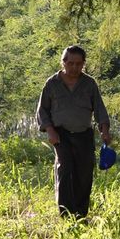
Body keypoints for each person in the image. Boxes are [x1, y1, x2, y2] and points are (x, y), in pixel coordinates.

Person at [36, 45, 111, 218]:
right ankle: (66, 215)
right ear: (63, 62)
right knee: (65, 170)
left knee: (84, 173)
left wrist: (104, 130)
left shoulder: (89, 83)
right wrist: (50, 131)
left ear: (83, 64)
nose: (74, 68)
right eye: (70, 63)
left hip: (84, 134)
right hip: (61, 134)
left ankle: (81, 214)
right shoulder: (52, 83)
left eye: (79, 64)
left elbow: (99, 109)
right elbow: (42, 110)